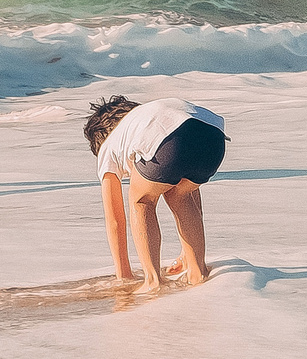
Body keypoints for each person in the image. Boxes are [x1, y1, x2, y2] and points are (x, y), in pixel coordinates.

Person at [83, 94, 226, 290]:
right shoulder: (148, 115)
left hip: (168, 145)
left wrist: (123, 274)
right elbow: (193, 196)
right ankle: (196, 271)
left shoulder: (110, 143)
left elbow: (115, 219)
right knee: (181, 193)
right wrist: (187, 252)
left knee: (141, 200)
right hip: (213, 139)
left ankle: (152, 281)